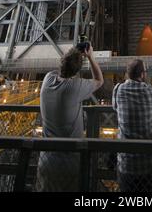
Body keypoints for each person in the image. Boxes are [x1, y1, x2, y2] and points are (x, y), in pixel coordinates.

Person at [36, 44, 103, 192]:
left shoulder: (48, 79)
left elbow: (62, 69)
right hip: (70, 162)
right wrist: (90, 57)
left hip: (46, 160)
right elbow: (99, 80)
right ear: (78, 70)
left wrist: (72, 54)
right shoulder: (74, 87)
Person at [112, 58, 152, 192]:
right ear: (142, 74)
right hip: (149, 163)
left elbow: (115, 107)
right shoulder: (150, 90)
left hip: (126, 164)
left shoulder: (118, 89)